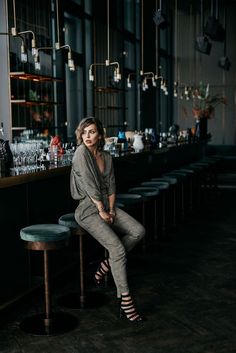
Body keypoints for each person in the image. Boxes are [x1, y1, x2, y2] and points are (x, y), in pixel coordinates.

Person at [70, 117, 145, 323]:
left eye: (92, 132)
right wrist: (102, 210)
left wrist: (111, 209)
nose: (87, 136)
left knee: (138, 231)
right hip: (87, 210)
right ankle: (126, 301)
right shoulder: (80, 154)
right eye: (84, 132)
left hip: (105, 205)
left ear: (100, 134)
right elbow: (89, 185)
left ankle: (106, 265)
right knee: (118, 250)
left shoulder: (106, 156)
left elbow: (111, 186)